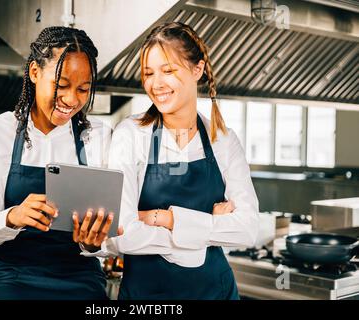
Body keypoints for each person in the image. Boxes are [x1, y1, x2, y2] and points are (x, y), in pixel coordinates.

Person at [74, 22, 259, 300]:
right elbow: (123, 234)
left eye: (168, 71)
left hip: (216, 293)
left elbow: (248, 230)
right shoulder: (132, 134)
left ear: (197, 69)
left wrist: (164, 218)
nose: (155, 84)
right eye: (148, 73)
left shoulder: (222, 139)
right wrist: (208, 226)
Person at [0, 26, 113, 300]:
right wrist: (12, 217)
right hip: (12, 275)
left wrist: (92, 244)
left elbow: (114, 233)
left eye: (83, 89)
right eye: (62, 85)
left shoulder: (100, 137)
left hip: (79, 277)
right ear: (34, 72)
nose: (71, 99)